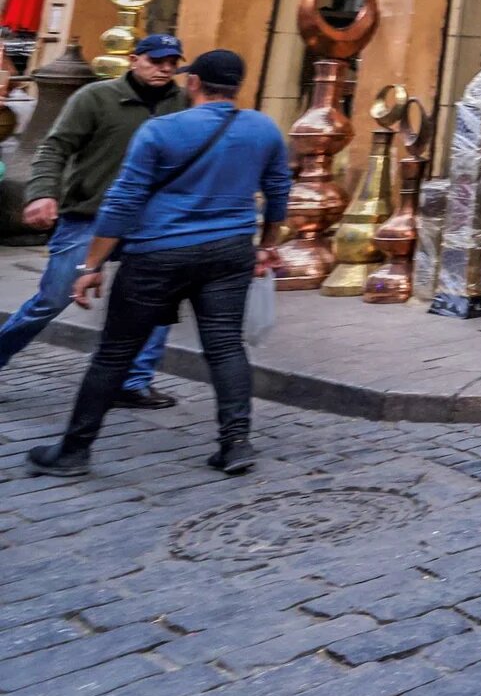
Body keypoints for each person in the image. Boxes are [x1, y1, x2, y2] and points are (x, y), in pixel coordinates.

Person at [26, 49, 293, 478]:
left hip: (158, 252)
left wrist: (91, 264)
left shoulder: (161, 130)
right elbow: (279, 191)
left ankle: (74, 451)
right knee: (225, 345)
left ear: (193, 83)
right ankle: (235, 443)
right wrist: (267, 243)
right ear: (236, 86)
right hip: (229, 251)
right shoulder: (263, 129)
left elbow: (124, 200)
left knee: (114, 353)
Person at [0, 33, 191, 405]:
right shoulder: (95, 98)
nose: (165, 69)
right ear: (135, 59)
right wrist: (42, 193)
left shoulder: (181, 103)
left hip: (150, 221)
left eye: (172, 63)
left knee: (156, 302)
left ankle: (134, 381)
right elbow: (55, 147)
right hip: (90, 216)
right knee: (52, 300)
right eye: (157, 61)